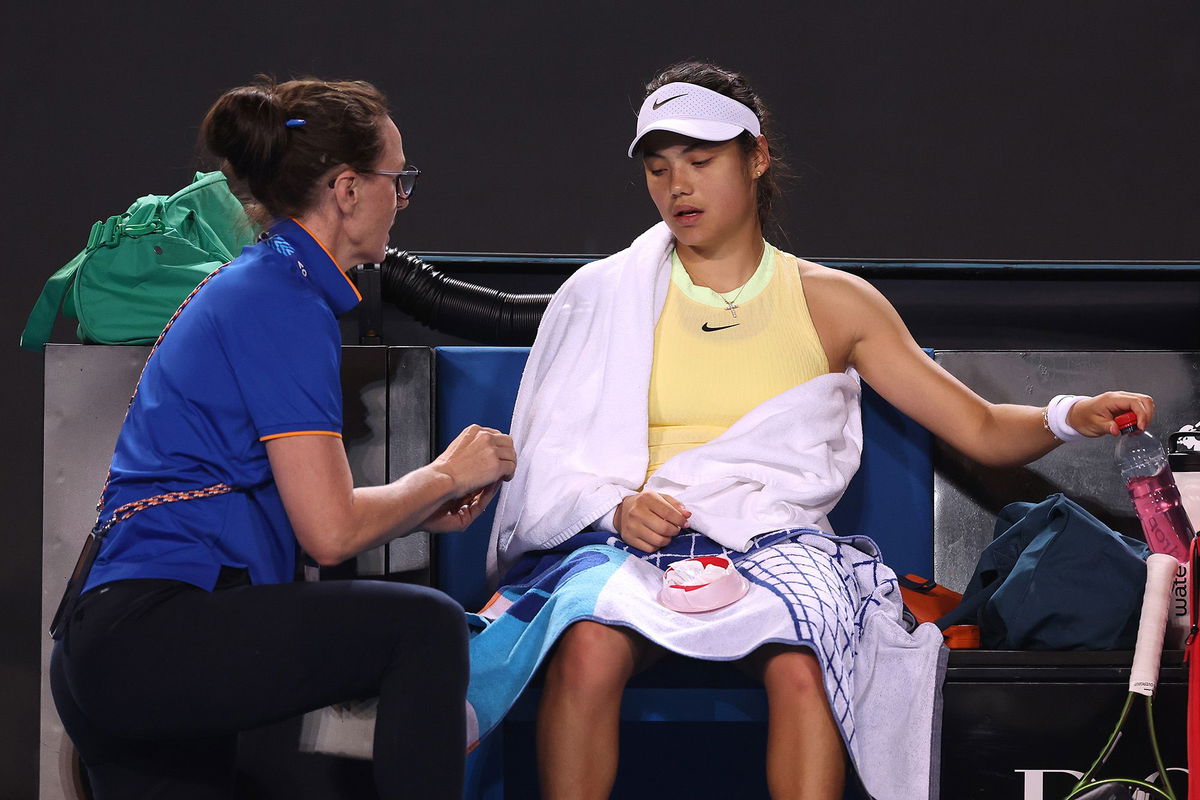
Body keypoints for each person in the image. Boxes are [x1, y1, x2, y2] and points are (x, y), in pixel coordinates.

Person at [468, 62, 1155, 800]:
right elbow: (552, 461)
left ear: (756, 157)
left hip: (773, 541)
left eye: (701, 162)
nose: (678, 186)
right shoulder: (601, 295)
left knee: (808, 661)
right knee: (586, 649)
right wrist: (613, 508)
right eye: (659, 168)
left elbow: (981, 429)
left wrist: (1069, 415)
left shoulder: (836, 303)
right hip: (626, 541)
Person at [49, 77, 516, 800]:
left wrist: (418, 504)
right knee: (423, 628)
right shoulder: (283, 299)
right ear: (349, 188)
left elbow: (303, 504)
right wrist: (447, 475)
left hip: (116, 651)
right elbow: (329, 532)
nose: (404, 199)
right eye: (400, 179)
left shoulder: (264, 283)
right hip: (151, 634)